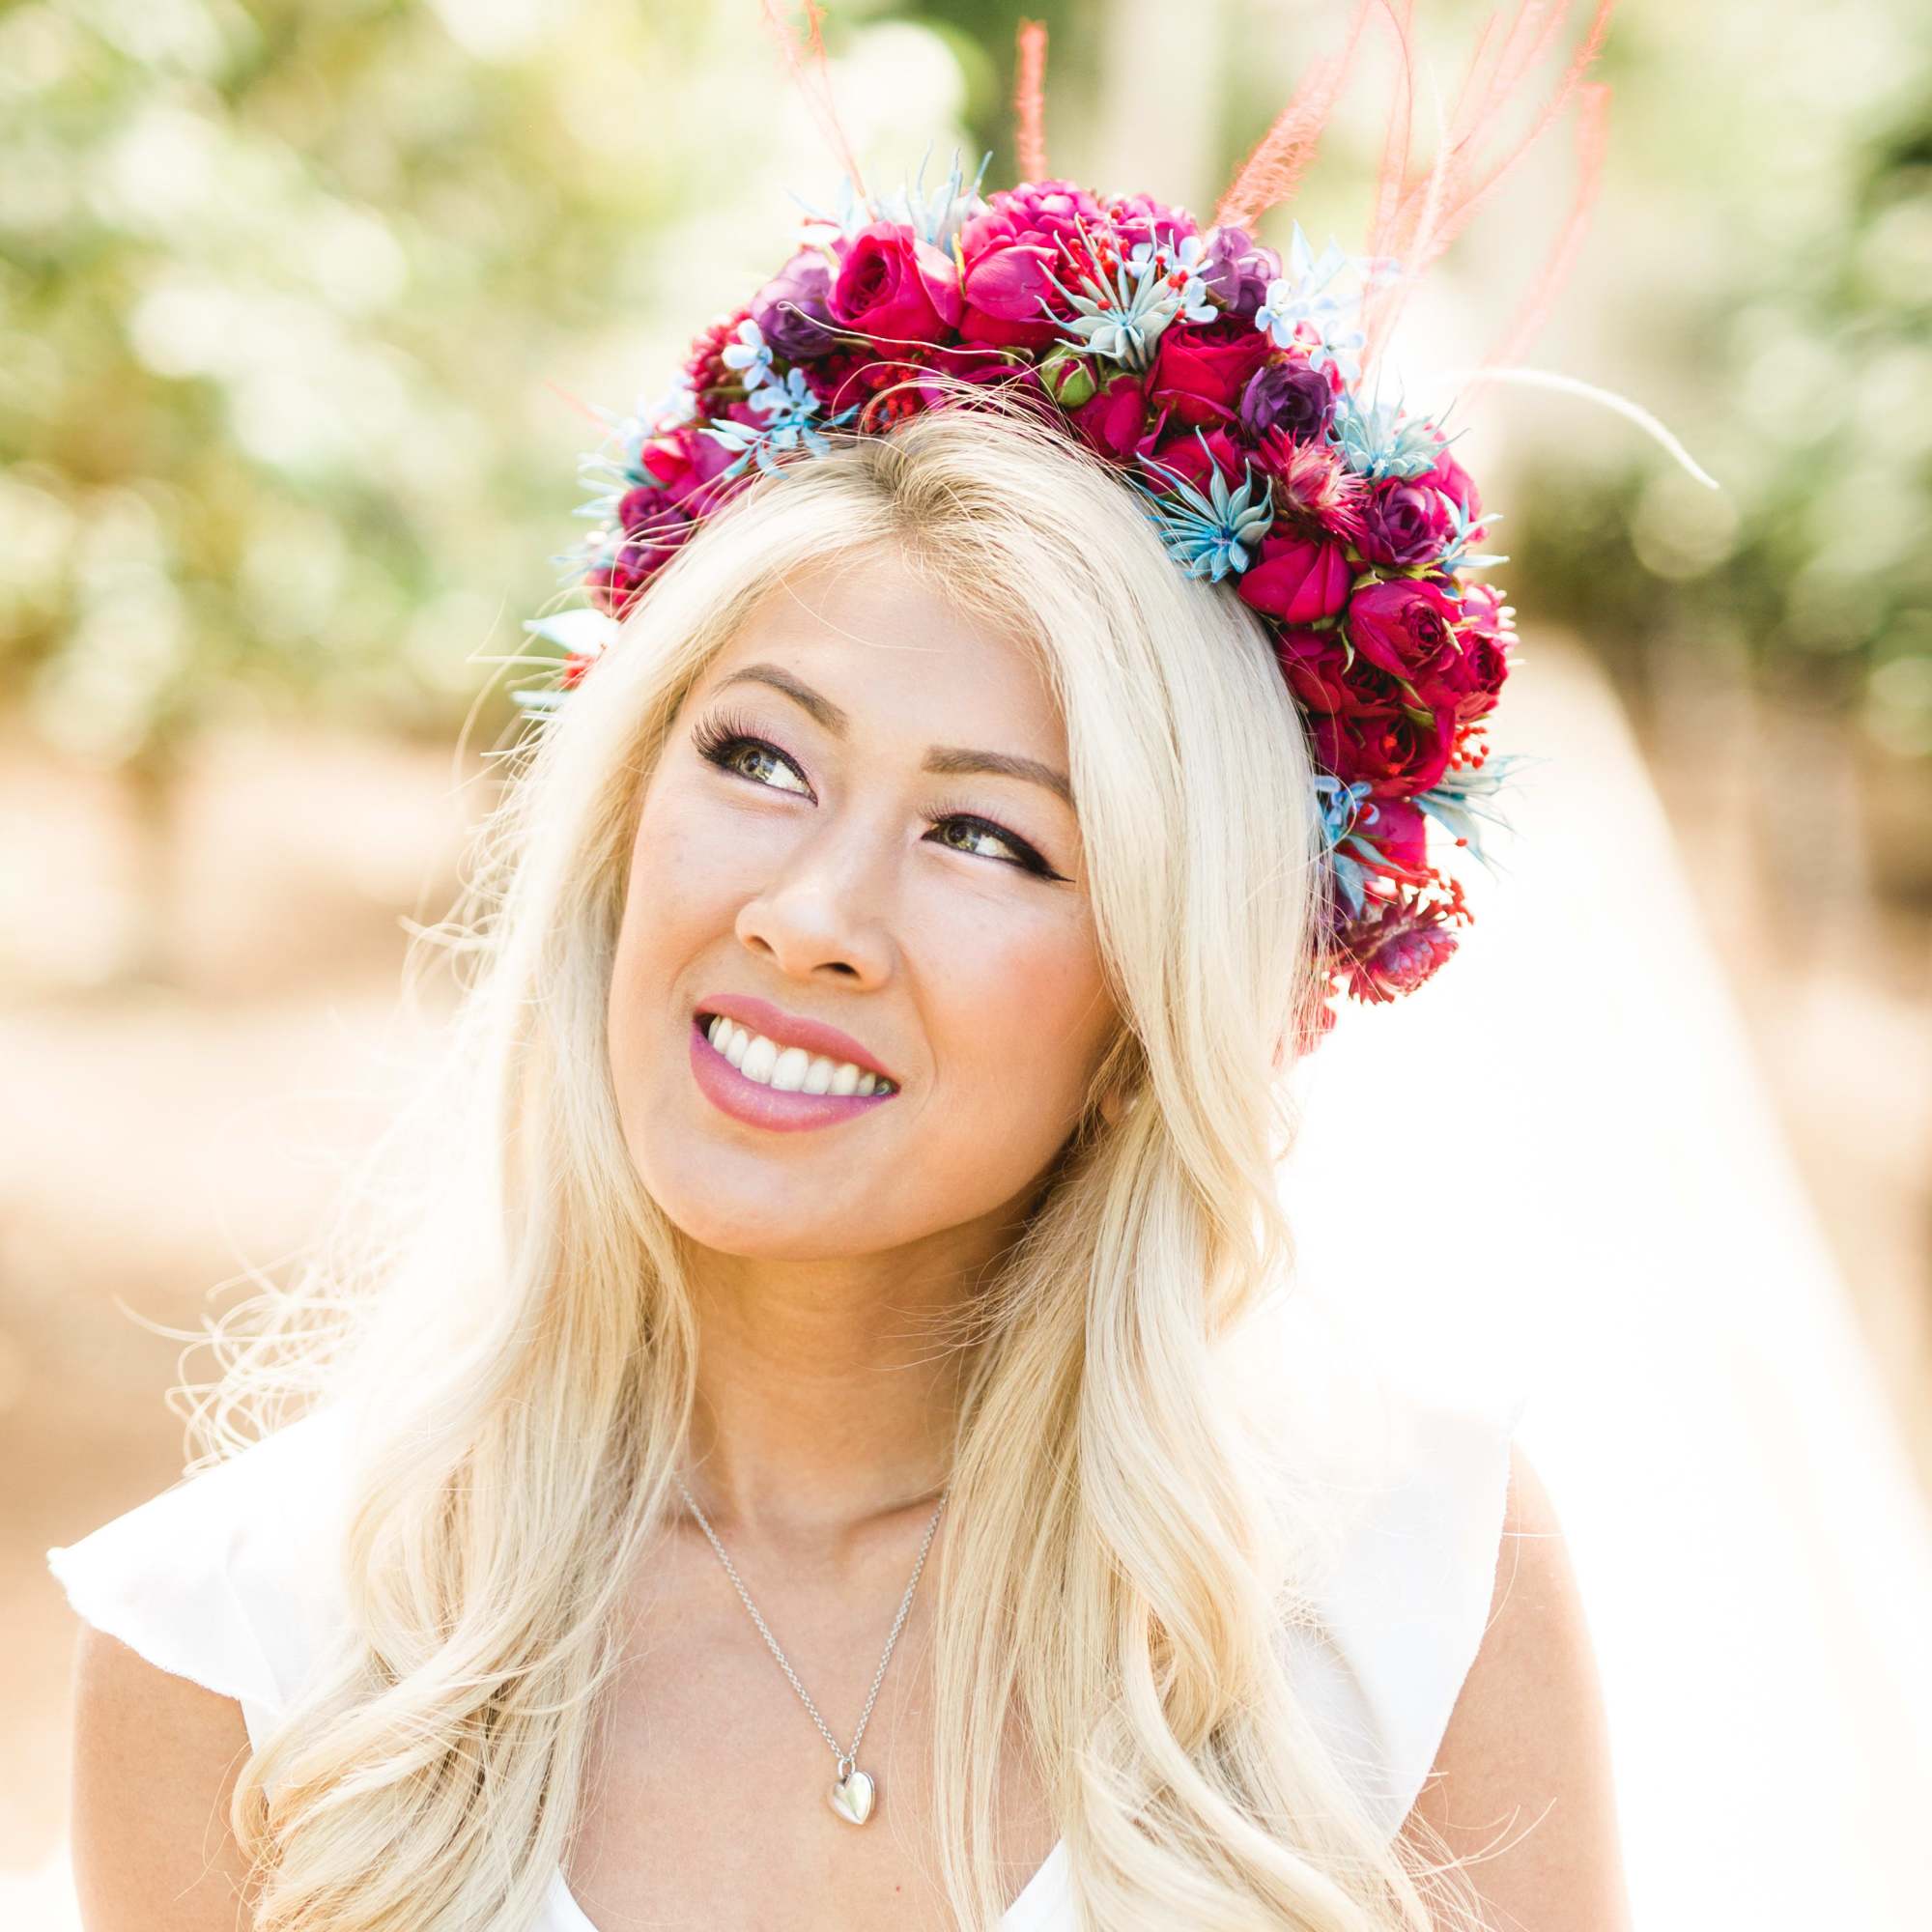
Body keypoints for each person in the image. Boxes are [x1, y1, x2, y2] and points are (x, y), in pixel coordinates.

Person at [49, 14, 1638, 1930]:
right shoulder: (242, 1651)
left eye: (989, 837)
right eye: (757, 759)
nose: (808, 912)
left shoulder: (1414, 1586)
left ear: (1148, 1013)